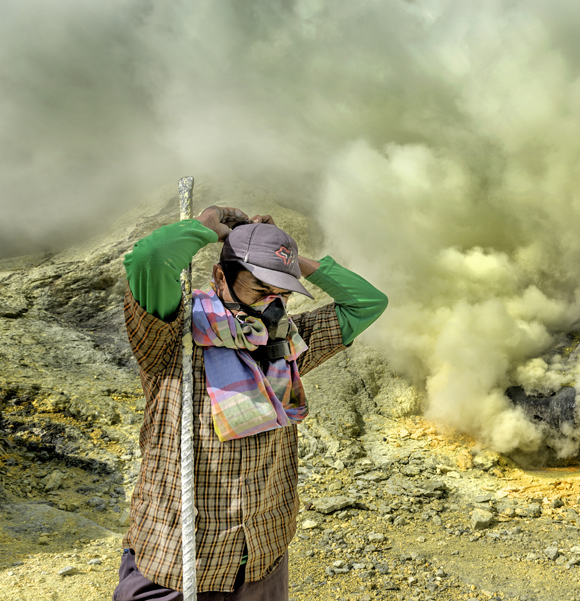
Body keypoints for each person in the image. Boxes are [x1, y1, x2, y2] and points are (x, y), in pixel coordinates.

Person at [114, 206, 387, 600]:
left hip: (261, 559)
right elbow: (148, 258)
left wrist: (288, 257)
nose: (272, 305)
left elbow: (367, 302)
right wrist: (207, 228)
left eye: (282, 293)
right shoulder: (173, 340)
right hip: (178, 563)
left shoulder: (286, 345)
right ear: (220, 277)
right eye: (260, 290)